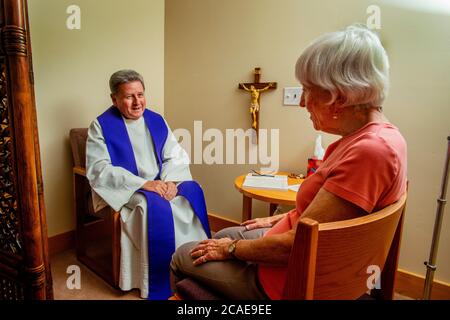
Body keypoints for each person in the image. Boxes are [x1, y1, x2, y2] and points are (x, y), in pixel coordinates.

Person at [170, 25, 407, 300]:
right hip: (292, 251)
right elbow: (328, 218)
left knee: (183, 255)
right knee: (224, 232)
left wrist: (230, 249)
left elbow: (296, 245)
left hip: (291, 279)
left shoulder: (371, 152)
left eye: (309, 90)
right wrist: (279, 218)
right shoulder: (378, 138)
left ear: (339, 96)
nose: (303, 102)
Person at [86, 69, 211, 300]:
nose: (137, 102)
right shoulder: (101, 126)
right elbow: (99, 169)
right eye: (129, 96)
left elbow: (174, 154)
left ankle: (193, 265)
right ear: (114, 98)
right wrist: (145, 184)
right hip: (129, 187)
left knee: (192, 191)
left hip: (162, 180)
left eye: (141, 95)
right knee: (152, 208)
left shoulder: (156, 120)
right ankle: (156, 278)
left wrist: (171, 181)